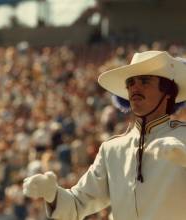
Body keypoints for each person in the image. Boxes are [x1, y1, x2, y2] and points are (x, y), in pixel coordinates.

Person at [23, 51, 186, 220]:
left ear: (168, 92)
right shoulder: (112, 149)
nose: (134, 87)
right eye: (130, 82)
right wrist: (53, 195)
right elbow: (78, 203)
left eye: (144, 81)